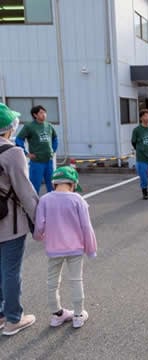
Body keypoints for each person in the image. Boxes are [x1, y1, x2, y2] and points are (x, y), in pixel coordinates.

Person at [33, 166, 97, 328]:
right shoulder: (77, 200)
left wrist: (39, 237)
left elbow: (39, 226)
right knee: (76, 280)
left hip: (53, 249)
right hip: (75, 249)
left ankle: (57, 315)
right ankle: (77, 315)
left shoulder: (45, 199)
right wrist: (90, 249)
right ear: (73, 183)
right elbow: (86, 227)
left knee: (52, 282)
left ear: (54, 183)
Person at [0, 103, 39, 336]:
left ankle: (2, 314)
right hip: (9, 223)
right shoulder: (13, 153)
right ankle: (14, 318)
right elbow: (25, 191)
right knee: (11, 270)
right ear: (8, 128)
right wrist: (39, 221)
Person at [15, 105, 58, 195]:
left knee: (52, 185)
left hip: (48, 161)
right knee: (34, 187)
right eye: (41, 113)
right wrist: (26, 153)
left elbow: (55, 138)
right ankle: (34, 207)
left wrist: (53, 150)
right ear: (35, 115)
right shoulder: (29, 126)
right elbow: (19, 139)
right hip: (37, 162)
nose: (44, 115)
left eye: (44, 112)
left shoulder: (49, 126)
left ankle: (52, 204)